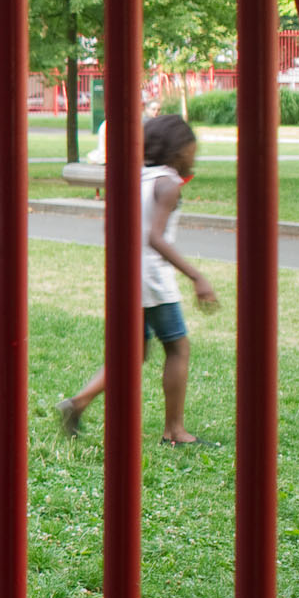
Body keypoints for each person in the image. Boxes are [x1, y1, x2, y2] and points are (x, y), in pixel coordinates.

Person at [56, 114, 220, 447]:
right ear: (176, 150)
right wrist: (197, 276)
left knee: (131, 353)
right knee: (177, 347)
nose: (194, 157)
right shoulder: (168, 183)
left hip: (128, 277)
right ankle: (174, 431)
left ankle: (78, 403)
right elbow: (155, 238)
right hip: (153, 281)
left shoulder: (139, 178)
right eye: (192, 150)